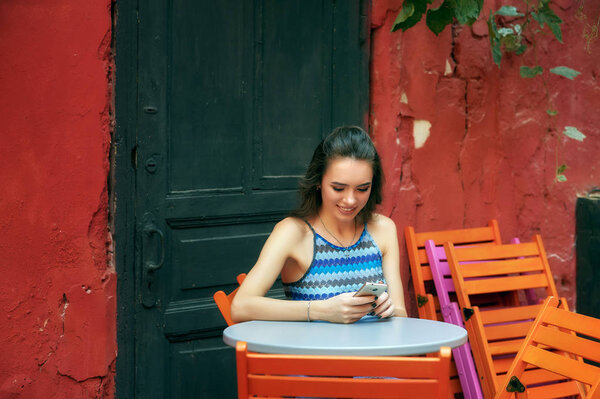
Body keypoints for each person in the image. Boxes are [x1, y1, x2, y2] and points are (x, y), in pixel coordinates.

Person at [231, 126, 407, 324]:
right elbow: (240, 307)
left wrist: (390, 309)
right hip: (316, 353)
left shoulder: (383, 229)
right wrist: (321, 310)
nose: (350, 200)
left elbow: (401, 313)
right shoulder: (293, 232)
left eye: (362, 189)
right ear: (318, 182)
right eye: (338, 188)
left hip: (376, 353)